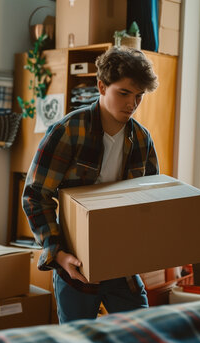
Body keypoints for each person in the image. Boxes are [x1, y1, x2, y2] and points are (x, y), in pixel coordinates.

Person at [22, 46, 159, 323]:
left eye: (139, 96)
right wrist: (57, 254)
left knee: (142, 337)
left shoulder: (142, 140)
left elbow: (150, 201)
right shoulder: (67, 131)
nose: (132, 104)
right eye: (124, 93)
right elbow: (35, 195)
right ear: (101, 86)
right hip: (74, 262)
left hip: (122, 263)